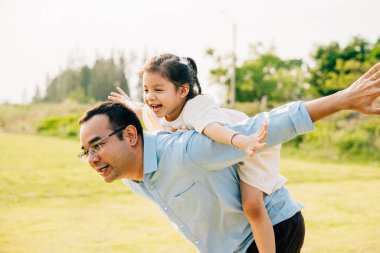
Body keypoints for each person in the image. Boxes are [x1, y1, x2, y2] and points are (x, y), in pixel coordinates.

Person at [78, 63, 380, 253]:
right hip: (235, 244)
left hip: (274, 221)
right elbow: (144, 111)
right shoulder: (131, 173)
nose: (92, 158)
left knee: (253, 204)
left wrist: (342, 100)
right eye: (85, 152)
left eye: (97, 145)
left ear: (130, 136)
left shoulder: (187, 149)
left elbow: (267, 125)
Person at [108, 54, 285, 253]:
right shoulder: (156, 114)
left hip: (251, 144)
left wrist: (241, 140)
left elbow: (214, 129)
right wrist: (128, 103)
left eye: (158, 89)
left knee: (252, 205)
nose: (150, 96)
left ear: (183, 90)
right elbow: (142, 109)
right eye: (146, 89)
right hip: (231, 148)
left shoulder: (195, 108)